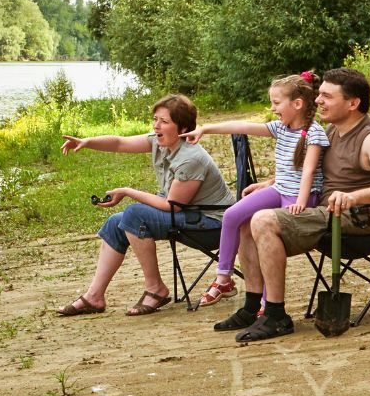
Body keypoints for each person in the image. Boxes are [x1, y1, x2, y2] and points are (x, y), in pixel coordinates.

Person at [214, 68, 370, 341]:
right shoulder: (332, 131)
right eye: (319, 95)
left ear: (353, 103)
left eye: (327, 96)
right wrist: (272, 182)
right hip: (327, 212)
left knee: (263, 219)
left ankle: (275, 315)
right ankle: (251, 307)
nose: (317, 101)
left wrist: (355, 196)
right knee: (247, 219)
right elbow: (309, 171)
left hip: (359, 217)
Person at [56, 94, 236, 317]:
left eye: (164, 121)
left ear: (183, 128)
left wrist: (128, 192)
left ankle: (156, 289)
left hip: (213, 227)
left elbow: (173, 206)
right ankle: (94, 296)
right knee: (116, 222)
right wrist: (87, 142)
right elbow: (120, 143)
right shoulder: (160, 143)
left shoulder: (191, 158)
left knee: (134, 214)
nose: (156, 125)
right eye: (155, 119)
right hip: (190, 216)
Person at [183, 72, 329, 307]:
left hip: (299, 197)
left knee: (265, 238)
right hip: (280, 189)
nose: (272, 108)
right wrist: (206, 129)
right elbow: (243, 126)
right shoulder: (281, 128)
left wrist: (301, 201)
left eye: (276, 102)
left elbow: (309, 171)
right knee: (233, 215)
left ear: (298, 104)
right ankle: (224, 278)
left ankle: (265, 302)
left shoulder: (314, 132)